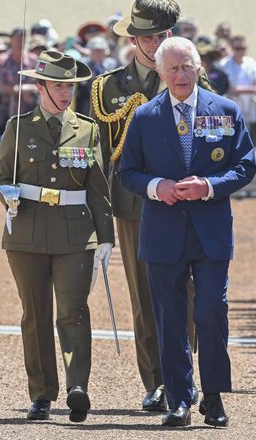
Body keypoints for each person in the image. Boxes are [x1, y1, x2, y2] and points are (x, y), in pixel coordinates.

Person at [118, 36, 256, 427]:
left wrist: (209, 186)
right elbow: (127, 173)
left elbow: (245, 166)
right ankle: (178, 398)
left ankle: (212, 397)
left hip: (211, 230)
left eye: (187, 66)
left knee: (212, 311)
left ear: (199, 68)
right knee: (170, 318)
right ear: (160, 72)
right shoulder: (144, 117)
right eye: (172, 68)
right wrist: (156, 187)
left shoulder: (225, 111)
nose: (180, 75)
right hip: (164, 231)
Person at [90, 0, 211, 413]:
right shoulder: (108, 88)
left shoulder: (192, 76)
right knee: (146, 297)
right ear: (133, 40)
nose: (157, 43)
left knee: (189, 293)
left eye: (163, 35)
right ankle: (158, 382)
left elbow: (214, 136)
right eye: (148, 37)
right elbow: (98, 152)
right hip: (134, 203)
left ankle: (181, 374)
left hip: (185, 202)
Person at [0, 50, 114, 423]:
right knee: (35, 315)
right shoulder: (18, 126)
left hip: (75, 232)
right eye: (58, 86)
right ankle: (42, 394)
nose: (65, 93)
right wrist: (6, 194)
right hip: (26, 231)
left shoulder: (88, 129)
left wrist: (106, 237)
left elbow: (98, 189)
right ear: (40, 86)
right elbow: (0, 178)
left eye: (70, 87)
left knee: (74, 312)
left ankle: (78, 387)